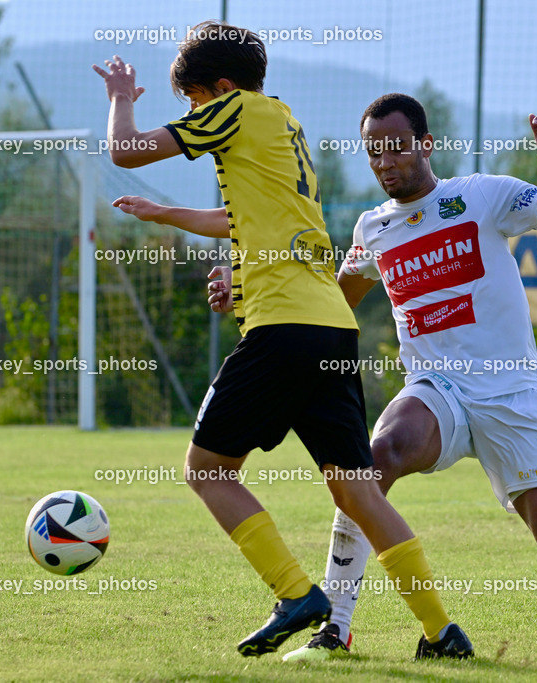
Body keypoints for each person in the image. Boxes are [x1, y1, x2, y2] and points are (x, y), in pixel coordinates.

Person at [202, 93, 537, 661]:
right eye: (373, 151)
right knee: (370, 463)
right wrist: (249, 291)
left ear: (426, 144)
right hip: (436, 391)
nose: (384, 161)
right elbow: (328, 302)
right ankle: (336, 628)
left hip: (513, 396)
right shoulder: (372, 228)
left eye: (396, 147)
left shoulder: (481, 195)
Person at [94, 25, 470, 659]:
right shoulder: (282, 124)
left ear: (220, 87)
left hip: (283, 330)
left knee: (207, 469)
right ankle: (441, 630)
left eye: (192, 101)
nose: (193, 114)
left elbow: (126, 150)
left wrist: (122, 99)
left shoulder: (230, 110)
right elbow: (247, 219)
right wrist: (168, 217)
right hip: (330, 328)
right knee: (356, 487)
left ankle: (297, 594)